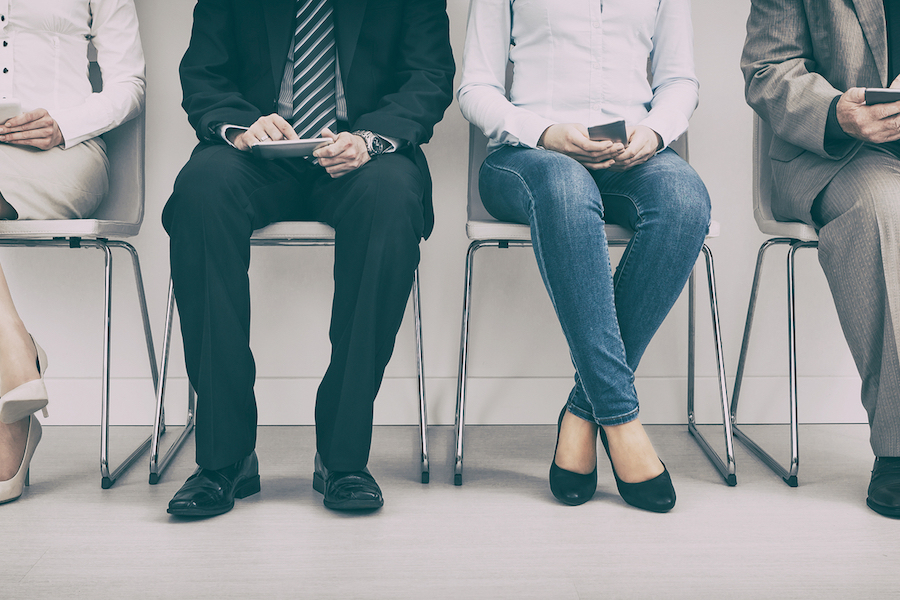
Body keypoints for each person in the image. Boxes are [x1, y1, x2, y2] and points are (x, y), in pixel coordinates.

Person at [163, 0, 454, 517]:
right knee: (200, 193)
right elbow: (204, 72)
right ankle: (225, 458)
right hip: (256, 155)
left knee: (391, 199)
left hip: (361, 156)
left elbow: (428, 76)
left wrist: (368, 140)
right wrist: (241, 127)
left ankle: (342, 458)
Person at [457, 0, 710, 512]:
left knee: (685, 202)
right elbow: (475, 89)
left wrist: (654, 131)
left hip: (628, 151)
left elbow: (679, 81)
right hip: (526, 155)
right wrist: (545, 133)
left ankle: (582, 410)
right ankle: (621, 419)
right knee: (567, 189)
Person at [743, 0, 900, 518]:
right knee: (884, 208)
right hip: (839, 155)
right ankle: (899, 447)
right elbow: (768, 71)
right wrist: (839, 113)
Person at [0, 0, 145, 504]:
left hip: (65, 153)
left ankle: (15, 365)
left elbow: (130, 85)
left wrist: (64, 122)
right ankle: (15, 358)